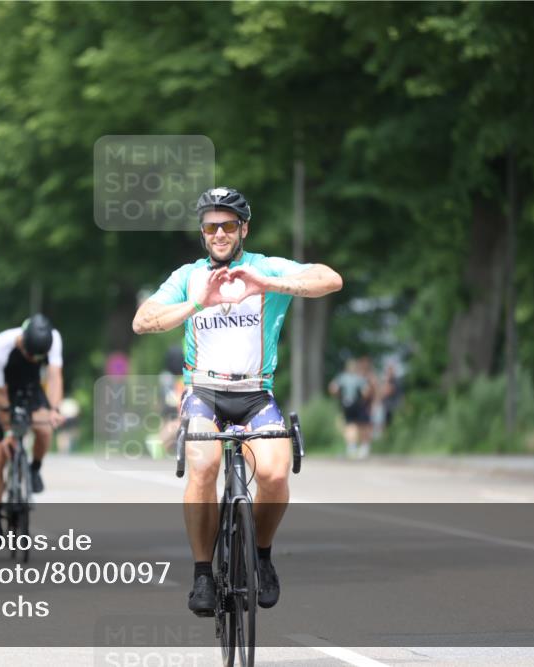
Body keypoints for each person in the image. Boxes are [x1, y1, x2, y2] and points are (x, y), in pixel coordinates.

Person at [132, 186, 343, 616]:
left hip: (255, 392)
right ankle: (203, 574)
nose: (219, 233)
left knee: (274, 473)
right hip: (204, 393)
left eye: (228, 225)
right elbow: (143, 321)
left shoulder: (264, 267)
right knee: (205, 465)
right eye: (211, 226)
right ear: (202, 233)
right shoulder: (189, 276)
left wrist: (268, 283)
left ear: (243, 228)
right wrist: (195, 304)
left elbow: (330, 279)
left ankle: (262, 558)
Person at [0, 314, 64, 534]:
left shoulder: (53, 339)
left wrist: (55, 409)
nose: (34, 359)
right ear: (22, 342)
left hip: (30, 388)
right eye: (30, 354)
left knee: (45, 429)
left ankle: (34, 469)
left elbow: (55, 376)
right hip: (1, 392)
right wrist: (9, 431)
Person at [329, 358, 373, 459]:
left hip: (346, 404)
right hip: (357, 404)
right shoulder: (359, 378)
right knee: (361, 425)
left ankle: (352, 447)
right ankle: (362, 448)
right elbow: (366, 391)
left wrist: (339, 396)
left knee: (350, 425)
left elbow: (332, 388)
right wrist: (364, 400)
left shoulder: (342, 377)